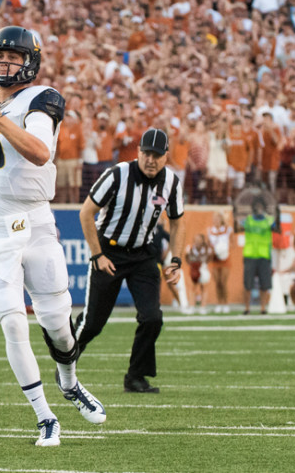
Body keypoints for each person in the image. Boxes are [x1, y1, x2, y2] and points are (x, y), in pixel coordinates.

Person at [0, 26, 105, 447]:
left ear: (30, 62)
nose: (4, 64)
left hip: (34, 223)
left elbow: (39, 151)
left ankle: (69, 382)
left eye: (14, 58)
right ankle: (44, 416)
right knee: (14, 322)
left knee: (57, 324)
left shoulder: (41, 98)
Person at [75, 128, 185, 394]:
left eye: (157, 155)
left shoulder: (171, 182)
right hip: (109, 252)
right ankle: (65, 362)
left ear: (166, 157)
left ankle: (136, 377)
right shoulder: (117, 175)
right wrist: (97, 255)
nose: (151, 160)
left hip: (143, 254)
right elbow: (86, 213)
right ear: (138, 152)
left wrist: (175, 259)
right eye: (147, 153)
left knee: (152, 318)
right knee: (93, 323)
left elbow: (178, 221)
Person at [240, 201, 277, 315]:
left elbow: (276, 227)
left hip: (264, 255)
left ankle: (263, 308)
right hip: (250, 254)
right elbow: (239, 225)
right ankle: (247, 308)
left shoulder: (269, 220)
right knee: (248, 284)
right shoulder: (248, 220)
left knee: (264, 284)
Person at [207, 212, 233, 313]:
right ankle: (219, 303)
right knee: (217, 282)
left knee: (223, 282)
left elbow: (231, 243)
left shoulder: (227, 230)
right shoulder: (210, 231)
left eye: (218, 219)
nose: (216, 221)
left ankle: (225, 303)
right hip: (215, 258)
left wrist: (224, 249)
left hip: (225, 258)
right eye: (215, 219)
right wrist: (213, 250)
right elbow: (209, 244)